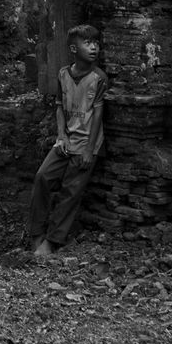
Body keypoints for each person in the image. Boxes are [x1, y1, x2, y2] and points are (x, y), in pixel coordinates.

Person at [27, 24, 108, 256]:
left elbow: (98, 116)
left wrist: (89, 150)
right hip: (66, 141)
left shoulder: (99, 78)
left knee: (70, 192)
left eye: (96, 43)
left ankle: (52, 242)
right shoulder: (63, 74)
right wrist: (61, 136)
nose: (94, 47)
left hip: (86, 146)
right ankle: (36, 235)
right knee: (42, 176)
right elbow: (60, 107)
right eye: (87, 43)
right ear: (74, 48)